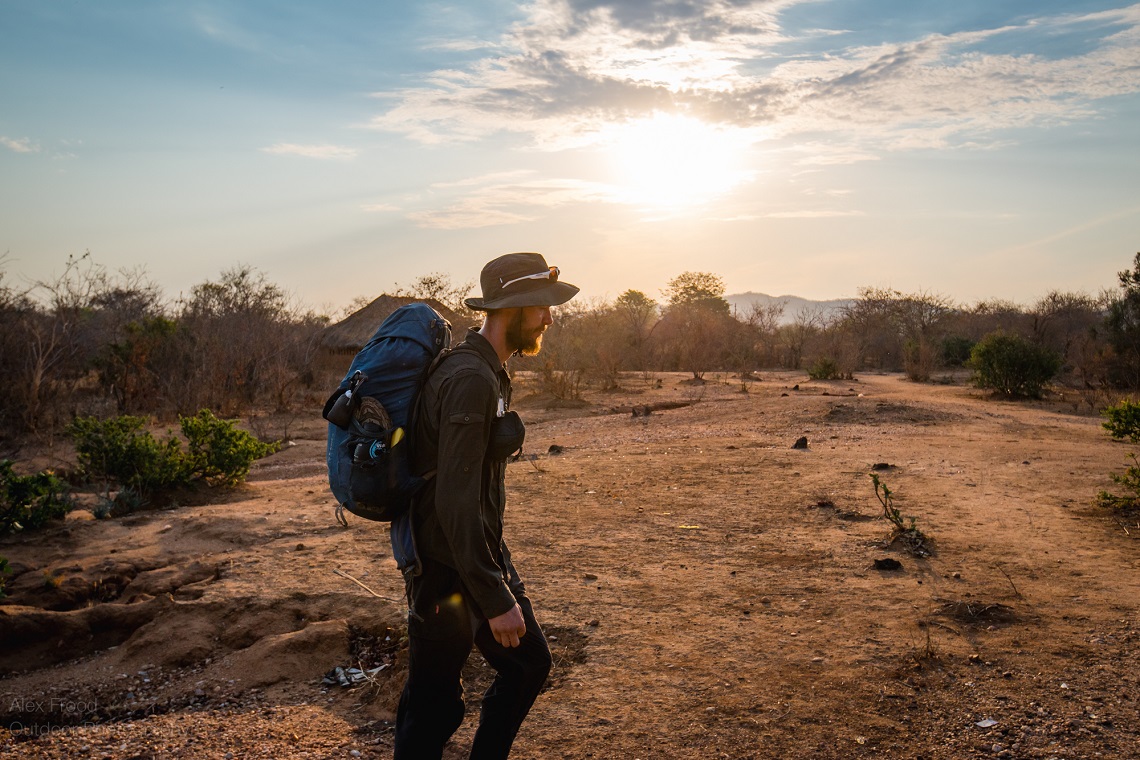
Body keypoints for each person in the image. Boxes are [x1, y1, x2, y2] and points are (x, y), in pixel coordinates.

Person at [394, 252, 579, 760]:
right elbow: (454, 501)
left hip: (472, 554)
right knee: (434, 706)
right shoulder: (471, 379)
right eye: (540, 306)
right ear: (510, 310)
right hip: (446, 565)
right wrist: (496, 598)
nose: (548, 317)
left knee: (517, 670)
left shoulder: (488, 372)